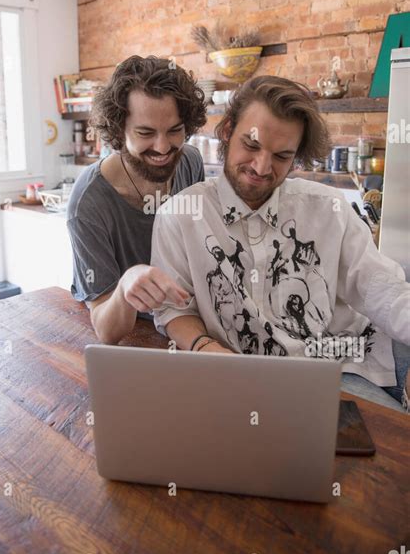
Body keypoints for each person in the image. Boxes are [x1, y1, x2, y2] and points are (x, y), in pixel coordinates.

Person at [151, 75, 410, 411]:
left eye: (281, 156)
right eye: (252, 145)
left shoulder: (329, 208)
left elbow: (382, 289)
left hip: (340, 368)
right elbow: (174, 310)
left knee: (383, 454)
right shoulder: (180, 216)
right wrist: (206, 350)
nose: (261, 168)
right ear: (228, 131)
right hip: (240, 379)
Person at [66, 55, 207, 344]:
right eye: (145, 133)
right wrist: (127, 286)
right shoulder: (89, 203)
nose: (163, 147)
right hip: (139, 337)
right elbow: (106, 330)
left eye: (175, 131)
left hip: (189, 322)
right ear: (119, 131)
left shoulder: (190, 162)